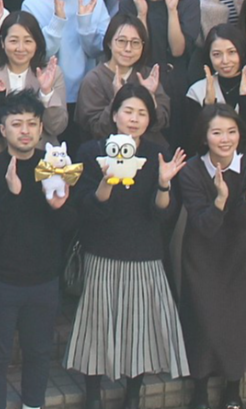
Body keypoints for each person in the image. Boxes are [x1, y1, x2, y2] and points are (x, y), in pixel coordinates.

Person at [68, 83, 189, 409]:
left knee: (140, 327)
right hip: (101, 251)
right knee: (96, 326)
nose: (134, 119)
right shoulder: (91, 151)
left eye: (142, 113)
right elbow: (86, 208)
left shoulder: (157, 154)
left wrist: (163, 184)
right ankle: (93, 395)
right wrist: (106, 181)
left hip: (144, 253)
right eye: (128, 111)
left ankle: (133, 394)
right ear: (114, 115)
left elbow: (163, 214)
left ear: (150, 119)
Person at [0, 90, 78, 409]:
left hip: (44, 281)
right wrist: (11, 194)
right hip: (0, 282)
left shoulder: (54, 165)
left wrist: (59, 206)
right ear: (2, 129)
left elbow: (71, 225)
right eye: (17, 123)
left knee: (39, 353)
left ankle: (33, 404)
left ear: (41, 128)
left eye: (32, 123)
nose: (25, 130)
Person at [179, 105, 246, 409]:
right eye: (217, 132)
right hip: (201, 255)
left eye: (231, 131)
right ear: (204, 137)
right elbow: (204, 225)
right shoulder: (191, 170)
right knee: (201, 320)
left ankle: (233, 387)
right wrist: (220, 199)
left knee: (237, 321)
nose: (225, 139)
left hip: (239, 255)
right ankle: (200, 388)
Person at [20, 0, 110, 106]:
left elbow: (97, 51)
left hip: (87, 93)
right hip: (47, 91)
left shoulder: (94, 2)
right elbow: (41, 54)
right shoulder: (32, 4)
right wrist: (58, 20)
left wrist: (85, 22)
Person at [0, 10, 68, 149]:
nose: (20, 48)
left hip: (43, 153)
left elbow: (57, 127)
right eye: (13, 41)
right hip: (1, 153)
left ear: (37, 43)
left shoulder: (52, 74)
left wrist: (46, 93)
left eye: (28, 41)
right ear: (2, 42)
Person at [119, 0, 202, 102]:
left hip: (177, 81)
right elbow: (139, 51)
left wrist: (172, 10)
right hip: (141, 79)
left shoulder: (189, 1)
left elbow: (177, 50)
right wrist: (141, 14)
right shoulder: (128, 3)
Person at [182, 25, 246, 157]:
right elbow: (194, 143)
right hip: (207, 164)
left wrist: (245, 96)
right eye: (217, 54)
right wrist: (208, 106)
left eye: (232, 52)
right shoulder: (197, 91)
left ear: (242, 52)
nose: (225, 61)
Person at [76, 12, 171, 140]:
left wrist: (150, 96)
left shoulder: (148, 75)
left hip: (148, 147)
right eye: (121, 41)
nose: (128, 49)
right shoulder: (94, 79)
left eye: (135, 43)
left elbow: (161, 122)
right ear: (109, 43)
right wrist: (116, 99)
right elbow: (96, 129)